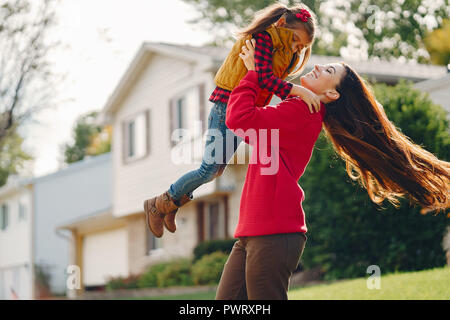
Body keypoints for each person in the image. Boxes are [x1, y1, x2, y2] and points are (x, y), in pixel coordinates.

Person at [215, 39, 450, 300]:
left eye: (328, 71)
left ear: (332, 94)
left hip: (273, 232)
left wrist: (253, 74)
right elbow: (251, 125)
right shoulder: (299, 107)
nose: (319, 67)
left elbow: (239, 119)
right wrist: (276, 84)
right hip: (254, 231)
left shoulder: (304, 110)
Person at [144, 3, 322, 238]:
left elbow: (270, 84)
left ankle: (171, 203)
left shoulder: (286, 51)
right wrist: (299, 92)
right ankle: (158, 204)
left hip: (244, 108)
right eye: (296, 40)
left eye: (302, 46)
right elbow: (266, 80)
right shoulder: (263, 38)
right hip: (227, 105)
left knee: (216, 170)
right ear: (281, 24)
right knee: (209, 169)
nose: (297, 48)